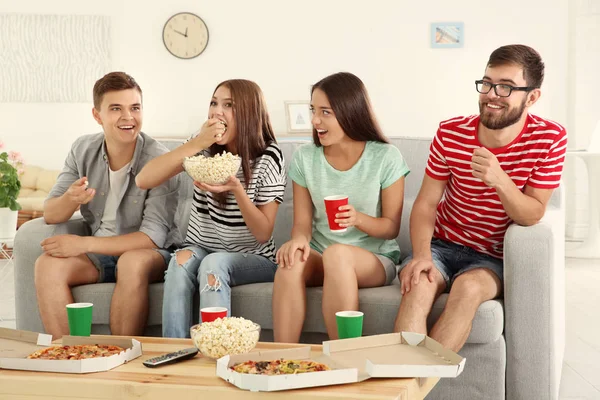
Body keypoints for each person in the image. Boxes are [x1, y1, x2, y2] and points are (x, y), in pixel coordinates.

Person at [393, 44, 568, 352]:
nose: (492, 94)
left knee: (468, 289)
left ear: (532, 97)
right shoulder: (450, 132)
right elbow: (425, 203)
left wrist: (499, 179)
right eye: (487, 83)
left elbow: (531, 214)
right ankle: (405, 389)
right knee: (418, 285)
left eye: (506, 87)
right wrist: (421, 255)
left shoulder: (550, 138)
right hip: (441, 244)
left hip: (492, 257)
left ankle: (408, 387)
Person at [136, 79, 286, 338]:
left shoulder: (268, 156)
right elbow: (143, 179)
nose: (217, 111)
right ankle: (174, 351)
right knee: (179, 262)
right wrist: (197, 143)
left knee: (213, 263)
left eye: (229, 105)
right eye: (214, 103)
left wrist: (237, 190)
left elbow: (263, 233)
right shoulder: (201, 147)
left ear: (249, 112)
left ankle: (215, 349)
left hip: (254, 256)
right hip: (201, 245)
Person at [35, 72, 179, 338]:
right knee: (47, 264)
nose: (128, 117)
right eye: (116, 109)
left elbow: (152, 238)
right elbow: (51, 213)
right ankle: (72, 355)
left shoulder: (160, 159)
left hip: (151, 255)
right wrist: (70, 199)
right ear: (97, 115)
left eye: (135, 108)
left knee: (131, 262)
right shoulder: (83, 149)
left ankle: (121, 356)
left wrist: (84, 244)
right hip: (101, 256)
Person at [273, 72, 410, 342]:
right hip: (322, 255)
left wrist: (357, 219)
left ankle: (345, 359)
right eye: (313, 110)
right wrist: (298, 242)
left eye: (326, 112)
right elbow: (302, 224)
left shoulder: (385, 157)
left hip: (373, 259)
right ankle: (282, 358)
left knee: (337, 255)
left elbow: (390, 228)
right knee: (291, 262)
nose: (315, 121)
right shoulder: (305, 158)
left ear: (350, 112)